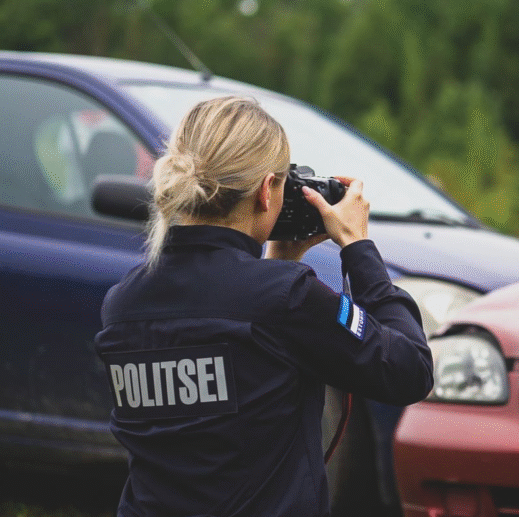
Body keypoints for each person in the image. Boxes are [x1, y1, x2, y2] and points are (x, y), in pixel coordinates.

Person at [93, 96, 433, 516]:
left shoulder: (123, 303)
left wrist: (280, 264)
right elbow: (409, 371)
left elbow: (205, 422)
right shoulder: (285, 298)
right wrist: (358, 246)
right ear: (266, 191)